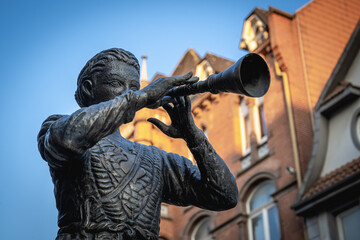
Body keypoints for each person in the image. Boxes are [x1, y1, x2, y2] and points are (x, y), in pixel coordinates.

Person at [37, 48, 238, 240]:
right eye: (116, 83)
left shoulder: (155, 159)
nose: (128, 93)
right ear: (89, 88)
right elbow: (68, 139)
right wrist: (141, 96)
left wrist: (192, 134)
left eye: (133, 88)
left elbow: (224, 195)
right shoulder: (57, 126)